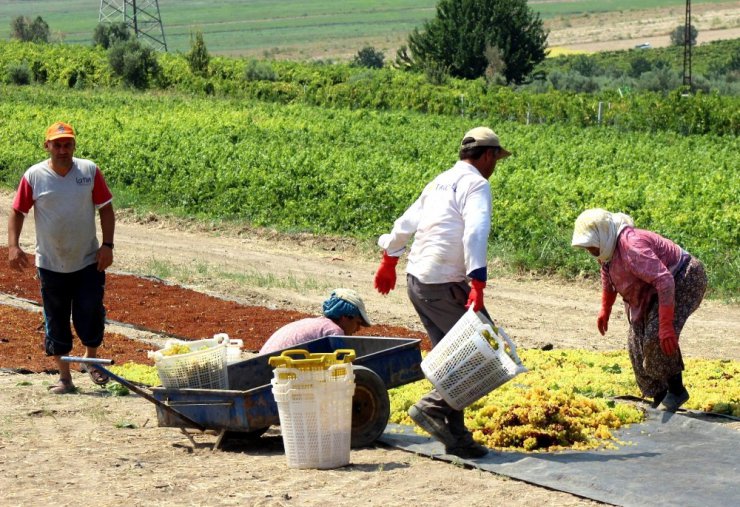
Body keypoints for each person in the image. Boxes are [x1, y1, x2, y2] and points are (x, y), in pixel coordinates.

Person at [373, 126, 511, 459]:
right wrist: (477, 283)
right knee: (485, 351)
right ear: (489, 155)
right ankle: (431, 407)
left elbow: (407, 222)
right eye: (496, 158)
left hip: (418, 281)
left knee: (452, 355)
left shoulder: (440, 181)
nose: (496, 165)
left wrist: (389, 258)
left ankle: (457, 435)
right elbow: (476, 231)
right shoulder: (477, 184)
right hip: (445, 283)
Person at [8, 121, 115, 394]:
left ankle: (91, 360)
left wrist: (107, 245)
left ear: (74, 146)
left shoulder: (89, 171)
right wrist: (13, 246)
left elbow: (106, 209)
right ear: (47, 146)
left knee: (90, 310)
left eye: (67, 144)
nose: (62, 149)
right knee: (55, 317)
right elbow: (18, 211)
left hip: (88, 260)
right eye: (57, 144)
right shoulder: (34, 176)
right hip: (51, 263)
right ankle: (65, 378)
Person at [571, 208, 707, 412]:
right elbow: (607, 277)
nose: (590, 251)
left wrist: (666, 324)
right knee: (636, 346)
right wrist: (605, 310)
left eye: (591, 246)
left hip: (683, 279)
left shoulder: (631, 246)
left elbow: (665, 280)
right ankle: (661, 396)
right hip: (652, 289)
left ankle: (676, 391)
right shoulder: (607, 249)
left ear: (604, 234)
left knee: (656, 337)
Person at [259, 288, 372, 354]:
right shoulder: (334, 331)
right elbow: (342, 364)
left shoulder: (319, 324)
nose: (358, 329)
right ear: (345, 317)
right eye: (357, 323)